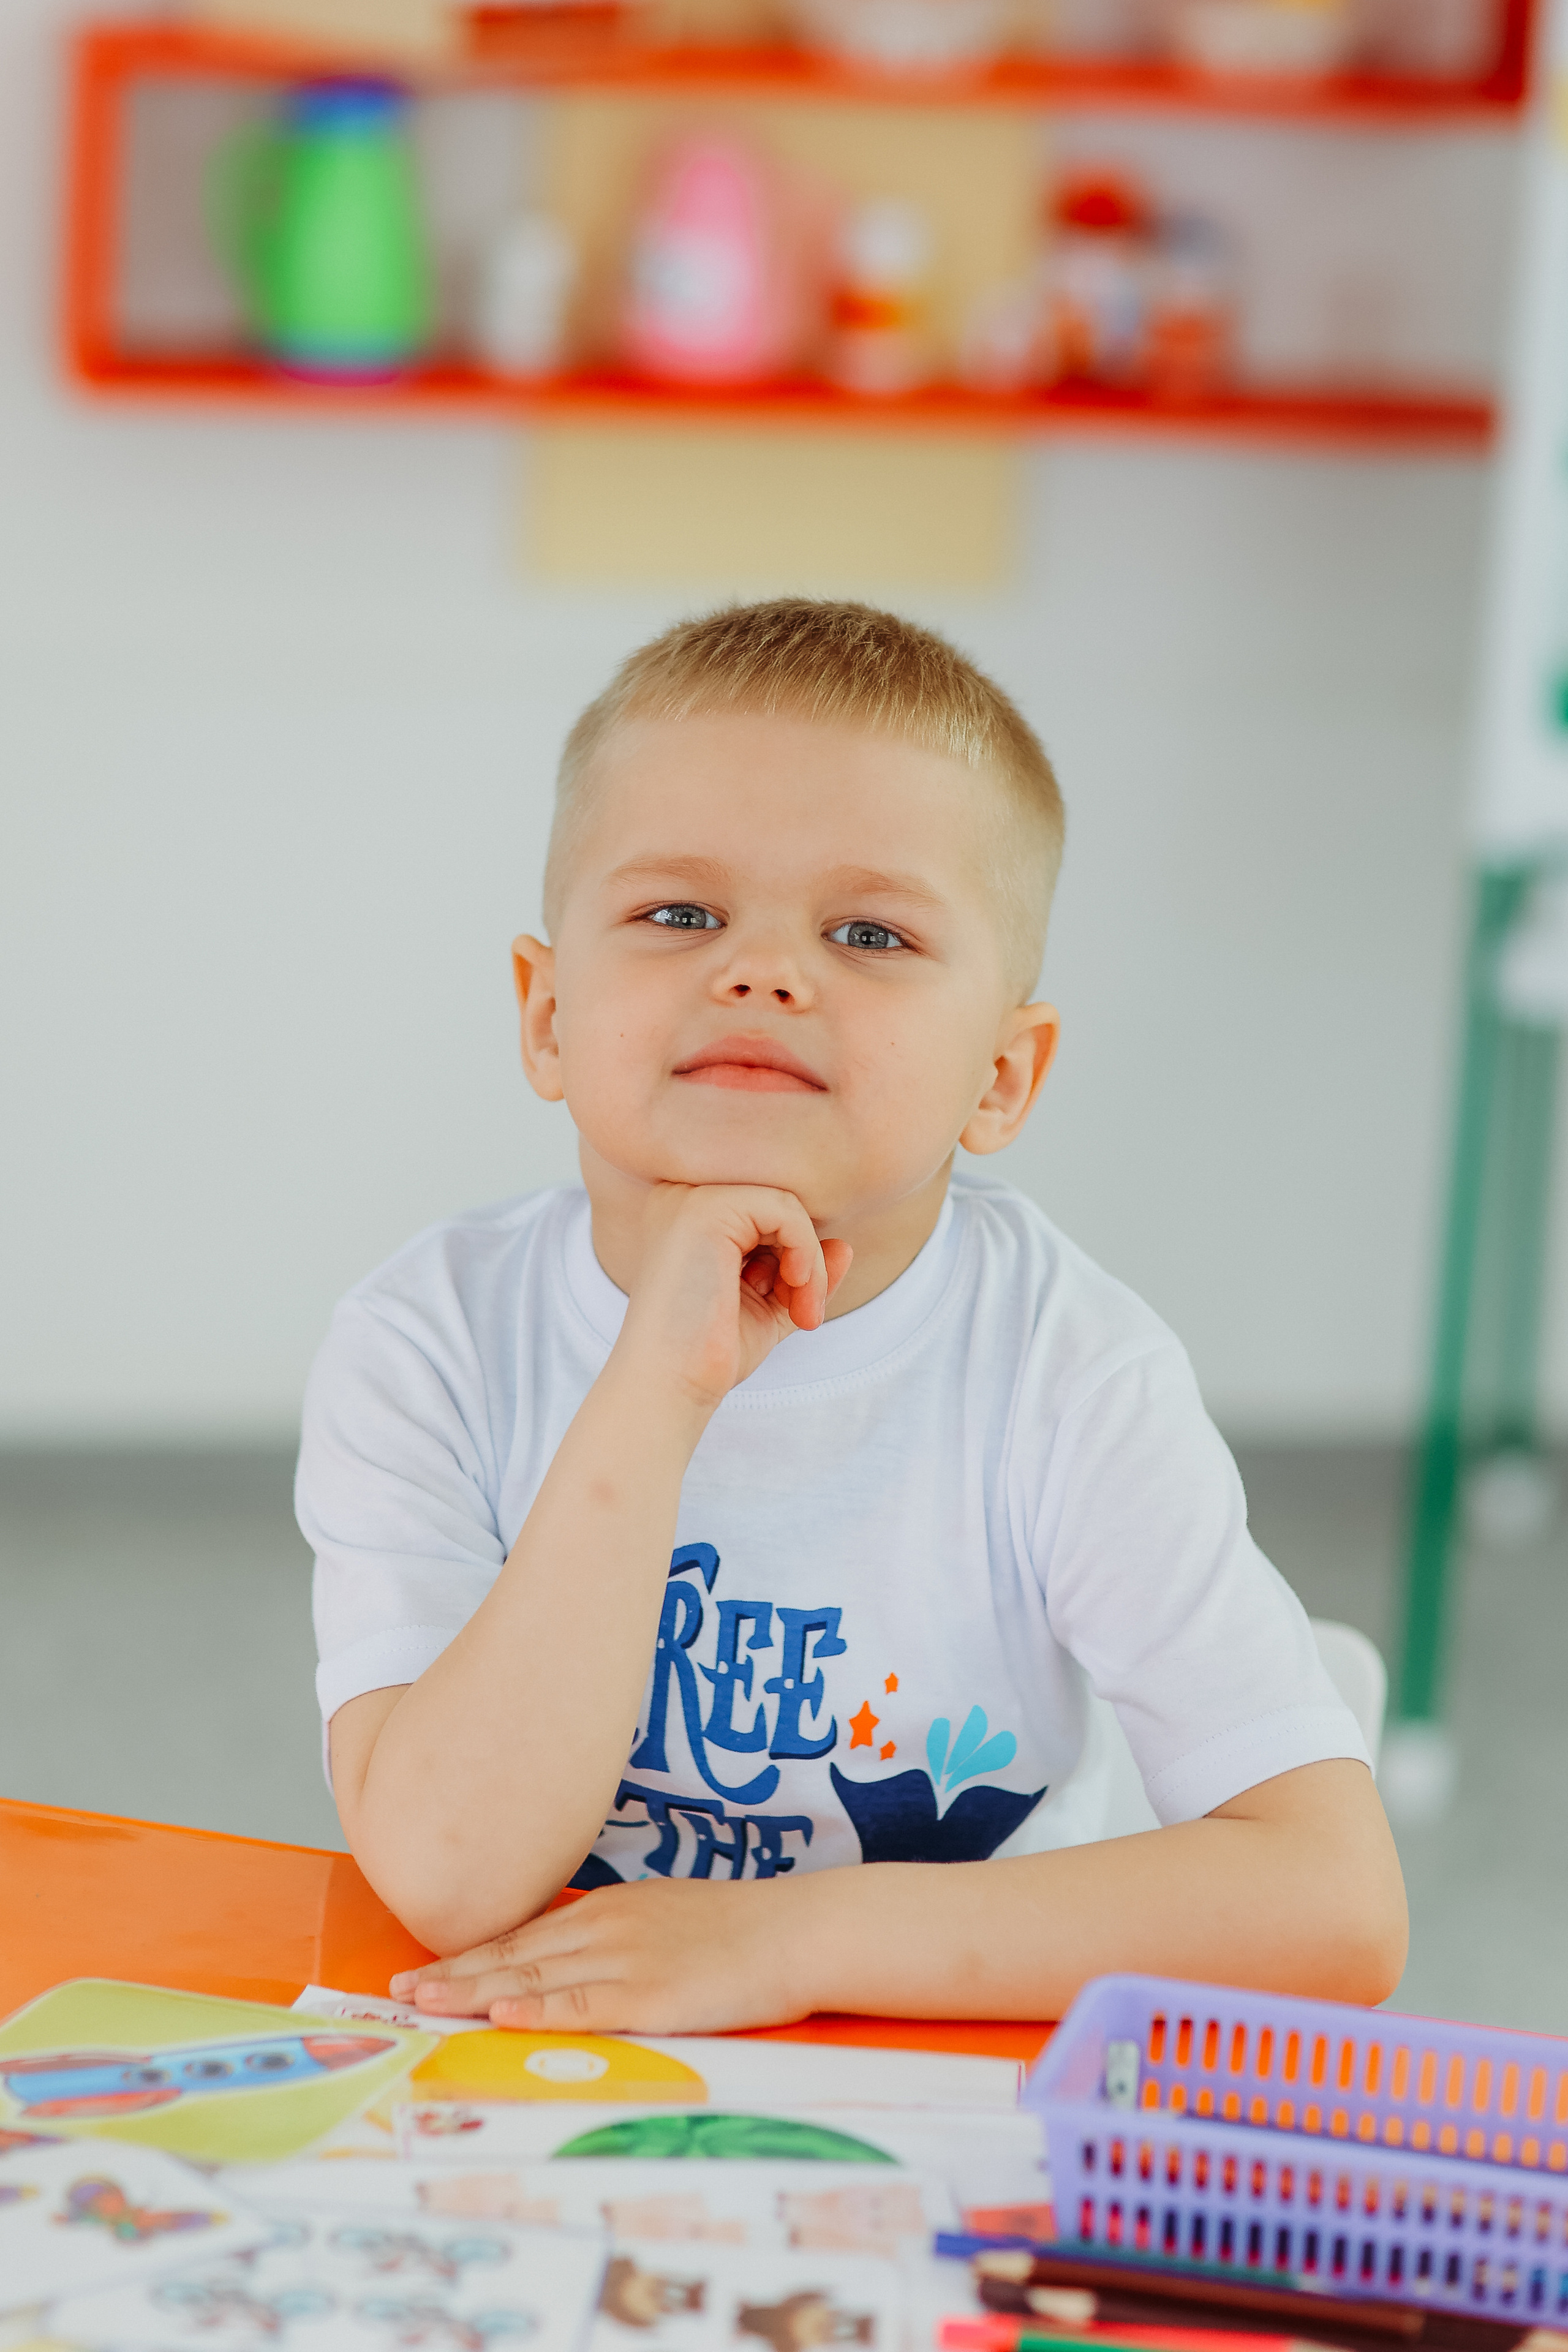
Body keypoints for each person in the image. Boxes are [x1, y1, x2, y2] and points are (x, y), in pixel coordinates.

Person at [298, 598, 1407, 2032]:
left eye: (869, 932)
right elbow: (452, 1877)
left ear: (1001, 1077)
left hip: (959, 2066)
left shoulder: (1069, 1373)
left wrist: (779, 1944)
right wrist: (657, 1387)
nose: (761, 971)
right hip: (547, 2064)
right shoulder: (426, 1340)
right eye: (678, 914)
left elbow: (1333, 1906)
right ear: (546, 1013)